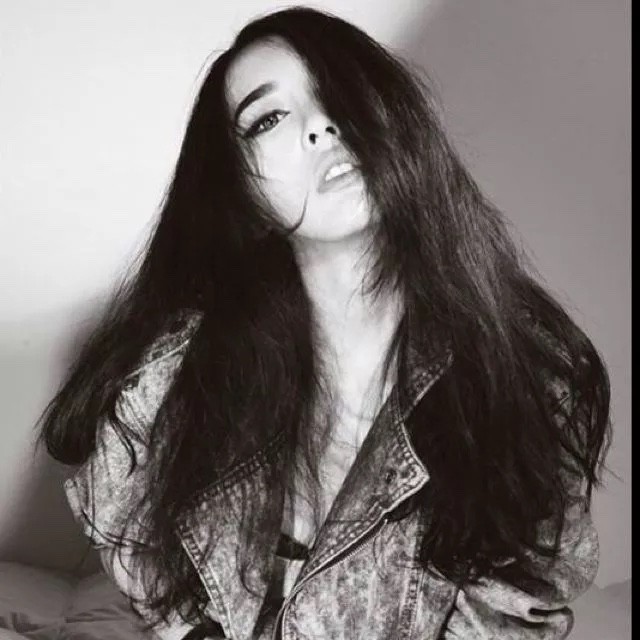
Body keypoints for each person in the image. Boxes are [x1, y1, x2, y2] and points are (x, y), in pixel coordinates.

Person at [40, 7, 611, 640]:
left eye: (340, 90)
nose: (321, 126)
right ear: (242, 189)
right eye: (269, 118)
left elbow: (510, 618)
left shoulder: (526, 372)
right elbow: (122, 515)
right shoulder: (189, 359)